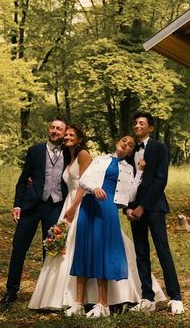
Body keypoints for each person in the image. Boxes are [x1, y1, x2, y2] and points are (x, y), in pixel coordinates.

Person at [65, 135, 167, 318]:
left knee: (101, 253)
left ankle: (103, 304)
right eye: (124, 141)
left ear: (130, 152)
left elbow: (131, 193)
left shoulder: (128, 169)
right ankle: (78, 303)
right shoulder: (100, 159)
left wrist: (141, 172)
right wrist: (94, 187)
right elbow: (83, 179)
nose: (126, 144)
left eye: (130, 145)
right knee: (83, 251)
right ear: (117, 142)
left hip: (107, 210)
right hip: (89, 206)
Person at [0, 117, 69, 311]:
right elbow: (22, 180)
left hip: (55, 207)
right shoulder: (35, 151)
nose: (54, 131)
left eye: (59, 129)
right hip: (31, 206)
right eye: (52, 127)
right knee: (19, 247)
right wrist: (17, 205)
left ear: (64, 133)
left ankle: (46, 294)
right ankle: (11, 292)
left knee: (51, 250)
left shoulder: (70, 153)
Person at [126, 112, 184, 315]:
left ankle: (175, 297)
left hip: (154, 207)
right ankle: (147, 298)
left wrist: (144, 206)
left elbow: (161, 180)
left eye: (142, 123)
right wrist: (129, 207)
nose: (137, 126)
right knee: (141, 253)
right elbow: (125, 181)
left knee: (162, 250)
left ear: (150, 128)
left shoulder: (159, 148)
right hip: (134, 210)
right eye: (135, 123)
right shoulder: (129, 150)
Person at [28, 124, 91, 311]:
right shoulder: (68, 155)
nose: (67, 137)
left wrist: (73, 207)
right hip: (67, 203)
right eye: (67, 134)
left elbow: (86, 183)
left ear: (79, 139)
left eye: (72, 135)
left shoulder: (83, 154)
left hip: (79, 204)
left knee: (75, 245)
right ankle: (55, 294)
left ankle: (76, 297)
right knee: (63, 245)